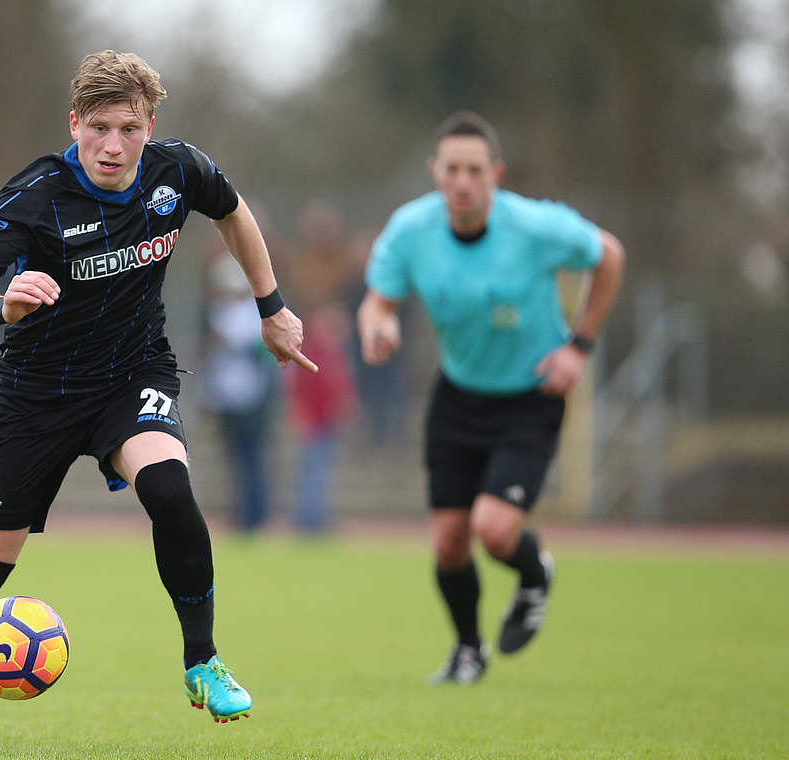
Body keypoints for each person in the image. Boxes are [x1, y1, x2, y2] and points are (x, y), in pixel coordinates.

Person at [0, 50, 316, 742]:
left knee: (169, 490)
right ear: (74, 123)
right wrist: (0, 305)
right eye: (99, 127)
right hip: (34, 398)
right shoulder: (38, 193)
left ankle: (203, 660)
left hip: (132, 375)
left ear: (150, 126)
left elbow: (234, 216)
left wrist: (272, 306)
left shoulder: (179, 170)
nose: (113, 145)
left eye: (129, 129)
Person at [358, 111, 624, 684]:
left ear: (495, 175)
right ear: (435, 171)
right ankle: (468, 651)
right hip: (457, 395)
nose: (462, 182)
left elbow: (610, 255)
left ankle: (535, 575)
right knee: (450, 542)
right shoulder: (409, 230)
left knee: (495, 530)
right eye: (452, 169)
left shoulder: (535, 226)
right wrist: (379, 327)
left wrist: (580, 345)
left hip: (532, 394)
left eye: (475, 170)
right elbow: (378, 302)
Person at [200, 251, 280, 533]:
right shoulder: (220, 312)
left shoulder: (250, 313)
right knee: (236, 460)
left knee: (251, 459)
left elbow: (250, 351)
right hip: (229, 398)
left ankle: (255, 515)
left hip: (250, 397)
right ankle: (242, 514)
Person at [284, 300, 356, 534]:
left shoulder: (330, 353)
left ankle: (314, 516)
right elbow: (302, 386)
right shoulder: (314, 352)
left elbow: (339, 386)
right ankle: (309, 519)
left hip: (325, 419)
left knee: (318, 469)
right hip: (314, 419)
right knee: (314, 469)